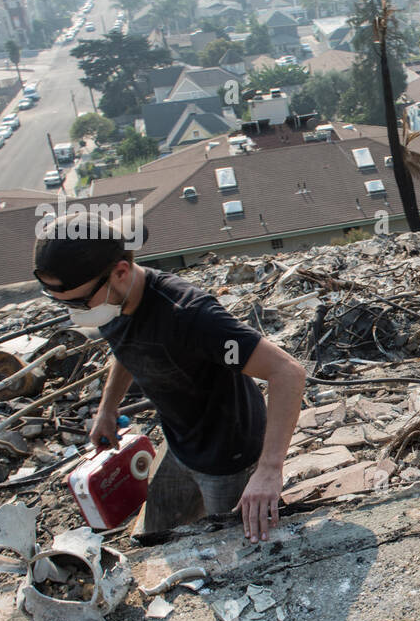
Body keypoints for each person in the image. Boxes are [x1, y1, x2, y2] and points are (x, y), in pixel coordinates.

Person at [33, 212, 307, 542]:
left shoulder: (189, 315)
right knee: (158, 536)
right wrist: (107, 408)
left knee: (237, 548)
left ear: (120, 272)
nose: (76, 314)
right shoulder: (112, 302)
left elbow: (287, 372)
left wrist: (268, 470)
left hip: (228, 457)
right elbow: (126, 346)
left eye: (78, 303)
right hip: (178, 445)